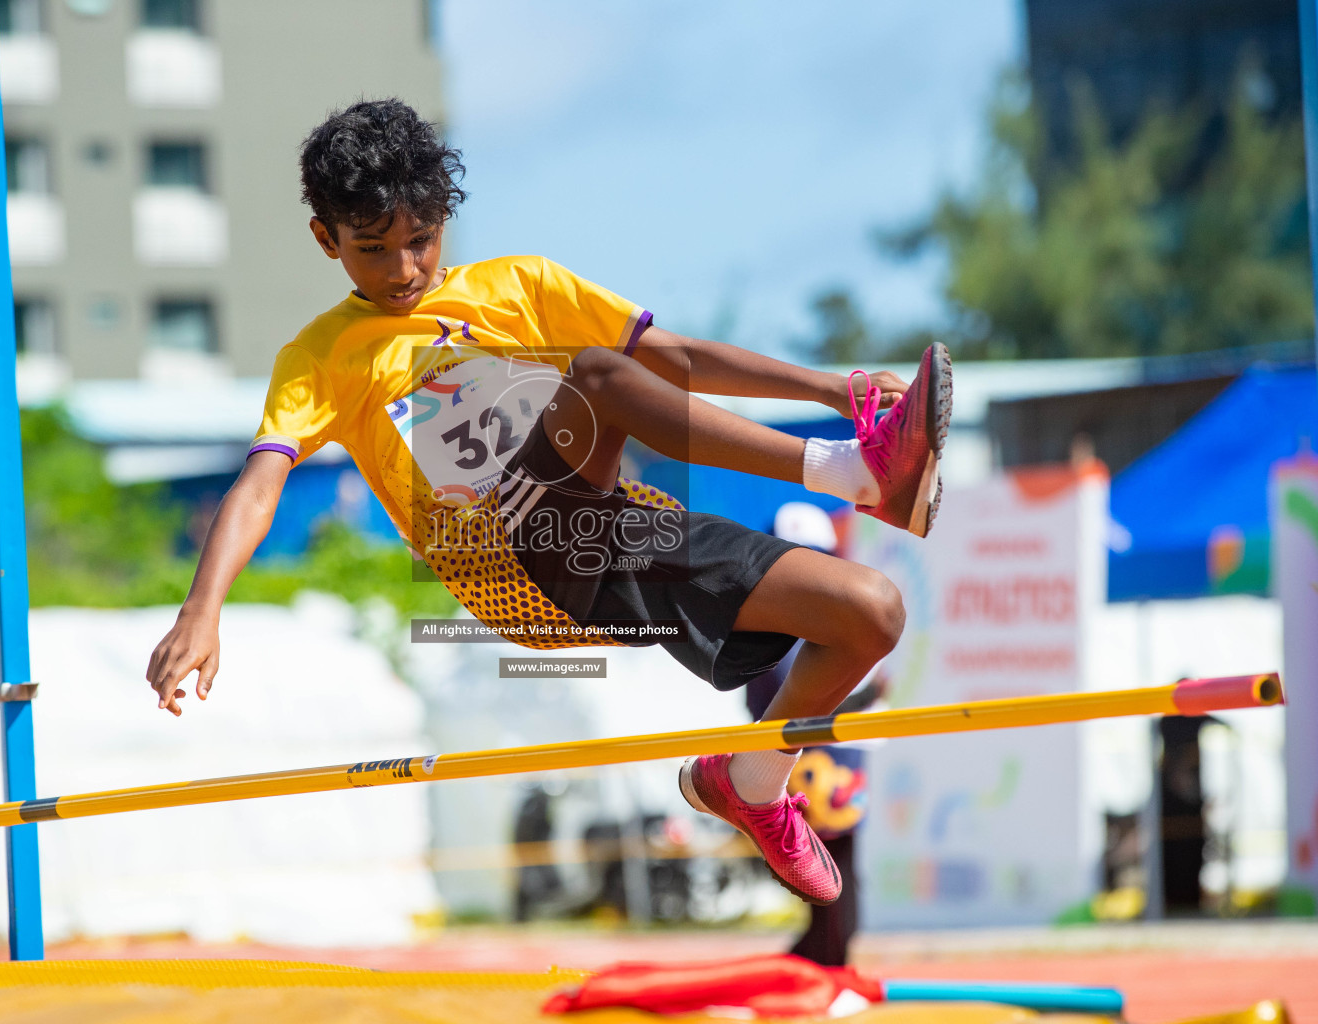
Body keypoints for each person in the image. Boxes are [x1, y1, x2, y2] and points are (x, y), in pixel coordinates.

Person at [145, 99, 952, 908]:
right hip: (506, 567)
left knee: (869, 612)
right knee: (599, 375)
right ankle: (861, 478)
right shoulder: (320, 357)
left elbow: (676, 357)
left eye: (419, 240)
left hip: (620, 531)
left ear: (444, 222)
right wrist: (201, 609)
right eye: (373, 250)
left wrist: (828, 386)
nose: (403, 270)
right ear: (327, 240)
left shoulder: (519, 285)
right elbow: (260, 483)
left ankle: (749, 782)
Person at [745, 502, 880, 965]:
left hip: (825, 764)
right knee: (827, 874)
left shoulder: (798, 623)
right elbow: (788, 704)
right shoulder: (781, 628)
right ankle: (821, 962)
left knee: (832, 875)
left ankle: (820, 960)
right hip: (806, 764)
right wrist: (865, 700)